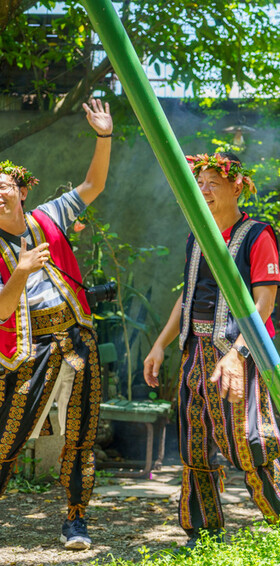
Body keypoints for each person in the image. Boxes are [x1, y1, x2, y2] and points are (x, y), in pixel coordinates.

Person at [143, 152, 280, 547]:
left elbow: (263, 303)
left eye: (212, 184)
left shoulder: (257, 234)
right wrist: (160, 344)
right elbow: (187, 297)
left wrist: (237, 354)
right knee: (193, 446)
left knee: (251, 443)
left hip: (240, 355)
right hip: (194, 352)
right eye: (199, 184)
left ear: (237, 187)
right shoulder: (197, 235)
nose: (203, 191)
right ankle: (203, 535)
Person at [0, 99, 113, 550]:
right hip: (27, 351)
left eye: (4, 182)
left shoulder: (48, 216)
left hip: (76, 337)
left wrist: (103, 136)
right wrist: (23, 269)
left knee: (81, 434)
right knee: (7, 437)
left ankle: (75, 520)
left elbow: (93, 183)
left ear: (21, 190)